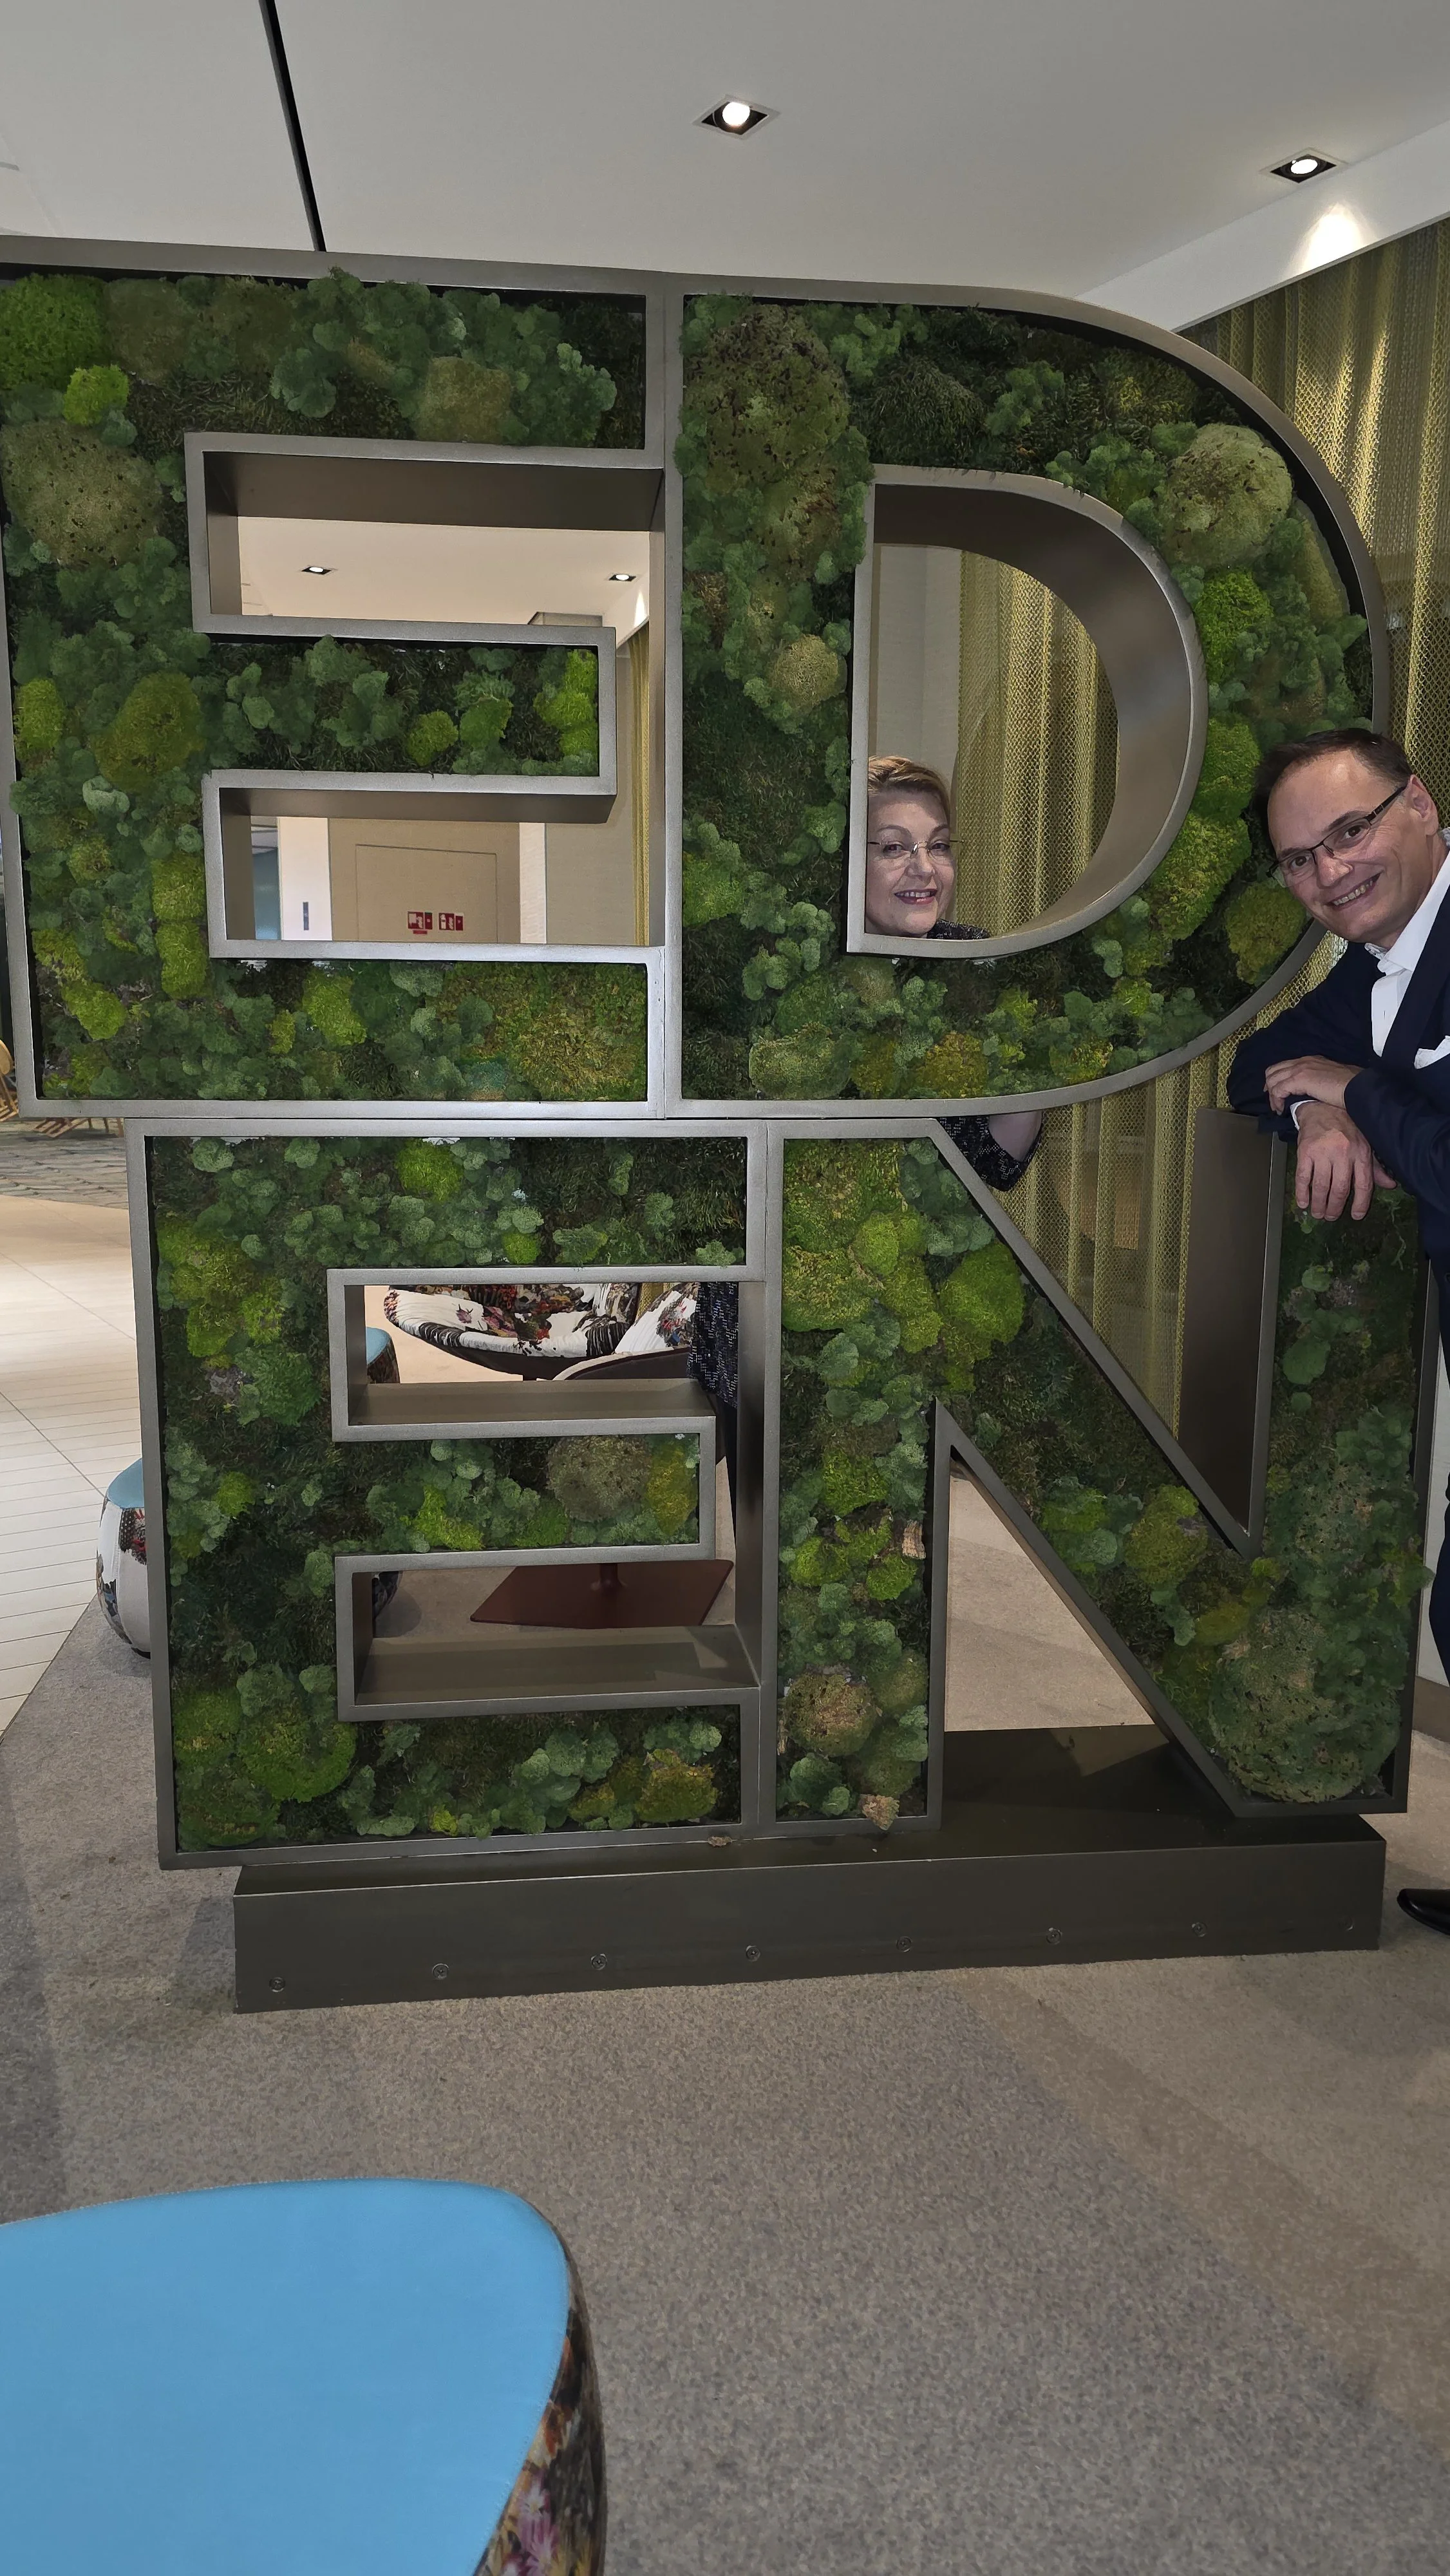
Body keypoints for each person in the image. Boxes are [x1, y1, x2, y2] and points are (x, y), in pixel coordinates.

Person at [1227, 727, 1450, 1935]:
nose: (1329, 873)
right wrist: (1314, 1112)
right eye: (1301, 859)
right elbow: (1254, 1067)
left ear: (1417, 803)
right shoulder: (1379, 968)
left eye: (1349, 831)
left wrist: (1353, 1092)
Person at [693, 760, 1047, 1520]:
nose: (924, 868)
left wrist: (1038, 1066)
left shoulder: (975, 963)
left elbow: (992, 1165)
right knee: (781, 1542)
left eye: (939, 845)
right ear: (842, 862)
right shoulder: (784, 966)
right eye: (892, 847)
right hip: (783, 1304)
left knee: (884, 1550)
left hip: (908, 1309)